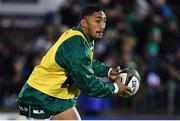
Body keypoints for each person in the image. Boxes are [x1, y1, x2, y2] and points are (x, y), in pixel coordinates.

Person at [16, 5, 131, 120]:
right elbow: (88, 85)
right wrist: (115, 87)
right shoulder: (76, 45)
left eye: (104, 21)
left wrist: (108, 71)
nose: (102, 26)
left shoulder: (84, 38)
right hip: (40, 95)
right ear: (84, 23)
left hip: (58, 97)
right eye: (97, 21)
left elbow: (87, 63)